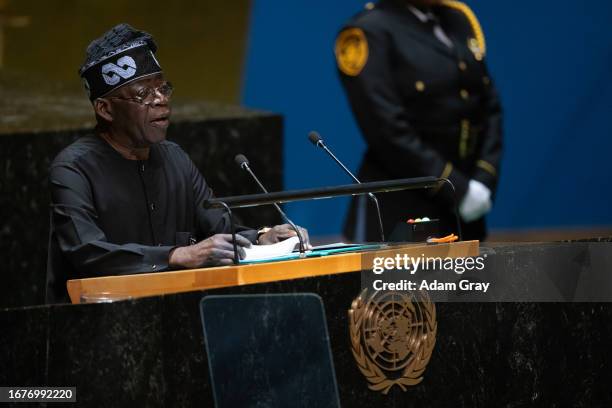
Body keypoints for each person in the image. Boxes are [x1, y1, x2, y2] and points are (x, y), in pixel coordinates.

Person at [46, 24, 307, 303]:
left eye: (162, 88)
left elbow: (218, 225)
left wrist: (261, 237)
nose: (161, 100)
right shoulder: (73, 169)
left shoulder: (175, 158)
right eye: (143, 94)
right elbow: (87, 252)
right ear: (106, 109)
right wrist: (177, 255)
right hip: (96, 326)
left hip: (177, 318)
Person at [336, 0, 503, 242]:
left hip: (467, 208)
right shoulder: (368, 31)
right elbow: (388, 131)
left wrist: (484, 178)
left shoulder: (457, 19)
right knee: (409, 281)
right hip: (402, 209)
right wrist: (456, 188)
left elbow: (489, 106)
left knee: (468, 280)